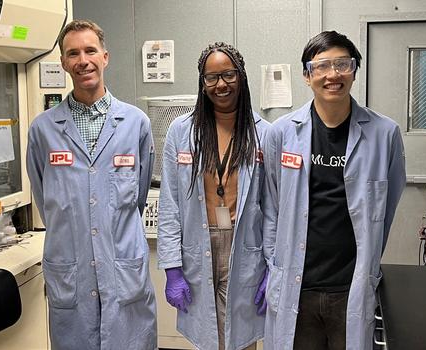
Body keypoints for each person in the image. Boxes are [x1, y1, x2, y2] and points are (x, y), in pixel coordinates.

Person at [261, 31, 406, 350]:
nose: (333, 75)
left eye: (342, 64)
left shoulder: (385, 133)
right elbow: (271, 205)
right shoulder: (282, 133)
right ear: (306, 74)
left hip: (350, 286)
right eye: (322, 66)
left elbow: (389, 204)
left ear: (354, 70)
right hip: (296, 287)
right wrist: (273, 264)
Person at [26, 20, 156, 350]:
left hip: (122, 271)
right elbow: (46, 201)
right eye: (73, 53)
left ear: (105, 57)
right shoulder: (43, 130)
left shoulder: (135, 123)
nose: (83, 60)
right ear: (64, 63)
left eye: (90, 50)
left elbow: (137, 199)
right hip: (72, 273)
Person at [157, 42, 271, 350]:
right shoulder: (181, 132)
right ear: (202, 83)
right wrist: (172, 269)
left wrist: (272, 266)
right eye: (211, 77)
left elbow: (273, 209)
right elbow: (170, 204)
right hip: (199, 244)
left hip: (245, 246)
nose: (221, 84)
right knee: (207, 338)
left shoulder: (265, 133)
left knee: (241, 340)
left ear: (241, 76)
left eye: (228, 74)